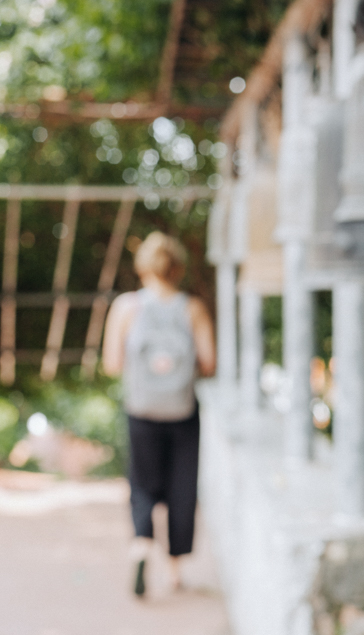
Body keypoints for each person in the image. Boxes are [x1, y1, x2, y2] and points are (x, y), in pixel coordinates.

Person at [102, 232, 215, 597]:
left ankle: (141, 543)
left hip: (142, 410)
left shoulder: (126, 307)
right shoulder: (192, 308)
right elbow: (210, 362)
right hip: (182, 411)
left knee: (142, 484)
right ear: (177, 267)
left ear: (143, 267)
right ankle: (175, 570)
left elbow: (112, 363)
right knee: (182, 486)